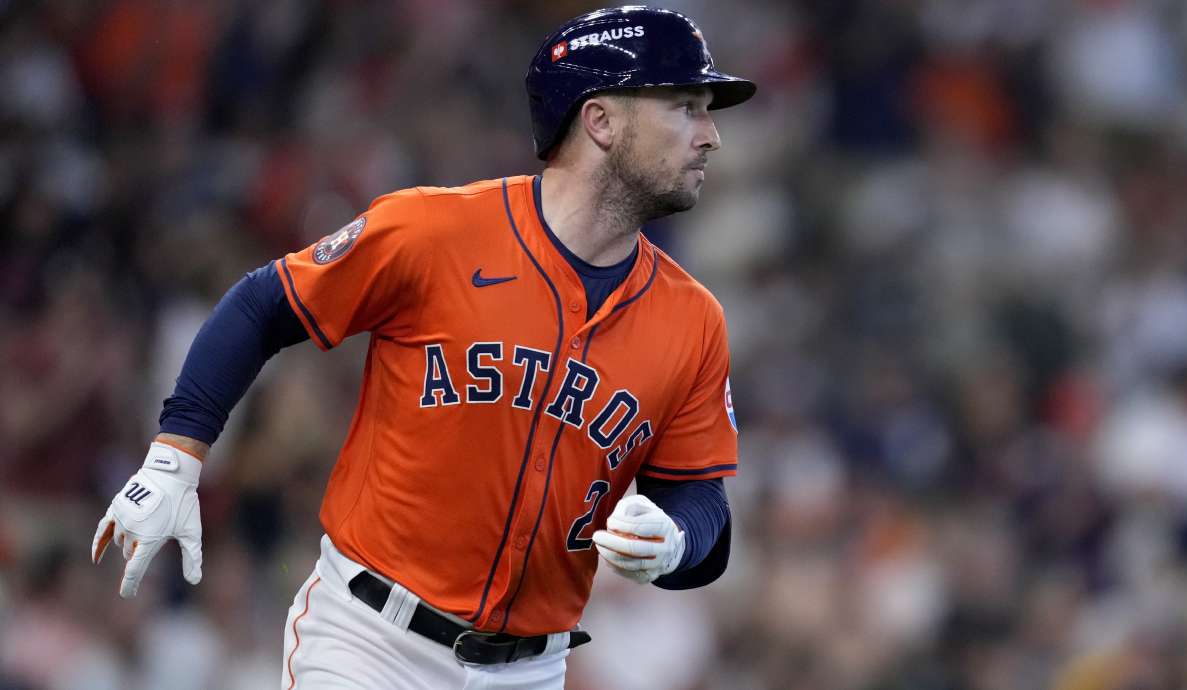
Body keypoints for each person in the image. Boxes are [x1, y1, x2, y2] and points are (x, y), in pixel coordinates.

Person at [90, 6, 755, 689]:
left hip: (531, 670)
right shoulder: (435, 231)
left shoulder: (693, 320)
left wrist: (674, 542)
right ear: (601, 121)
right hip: (371, 641)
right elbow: (264, 305)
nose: (711, 136)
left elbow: (702, 505)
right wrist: (175, 457)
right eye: (686, 107)